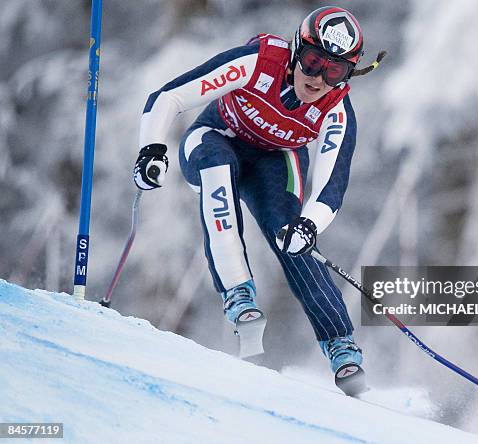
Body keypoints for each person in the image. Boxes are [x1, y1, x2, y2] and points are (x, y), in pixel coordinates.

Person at [133, 6, 384, 393]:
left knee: (292, 235)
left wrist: (309, 225)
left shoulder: (336, 107)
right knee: (216, 166)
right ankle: (238, 293)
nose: (318, 79)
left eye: (334, 71)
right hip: (216, 138)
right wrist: (151, 149)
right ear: (297, 49)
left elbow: (332, 186)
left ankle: (341, 345)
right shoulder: (259, 62)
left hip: (276, 159)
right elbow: (168, 97)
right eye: (314, 61)